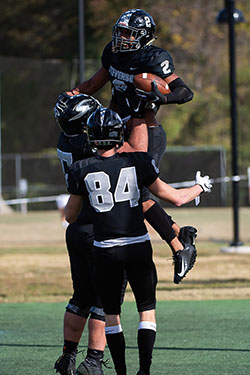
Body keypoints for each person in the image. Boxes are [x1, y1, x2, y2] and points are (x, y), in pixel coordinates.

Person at [64, 107, 212, 375]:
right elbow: (174, 197)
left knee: (111, 315)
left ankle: (120, 372)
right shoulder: (139, 162)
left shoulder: (80, 169)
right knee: (146, 312)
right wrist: (200, 187)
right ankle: (144, 371)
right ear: (118, 135)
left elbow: (71, 216)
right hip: (137, 247)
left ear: (92, 137)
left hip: (105, 250)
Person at [62, 8, 194, 264]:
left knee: (139, 192)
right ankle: (180, 237)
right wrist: (70, 96)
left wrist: (162, 98)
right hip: (116, 130)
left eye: (129, 33)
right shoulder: (112, 53)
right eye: (120, 31)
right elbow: (91, 85)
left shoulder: (154, 58)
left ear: (144, 37)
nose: (122, 37)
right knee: (134, 193)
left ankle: (179, 247)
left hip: (146, 130)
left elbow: (185, 92)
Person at [54, 93, 149, 375]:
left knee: (80, 296)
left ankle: (67, 357)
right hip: (100, 228)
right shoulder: (90, 146)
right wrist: (139, 113)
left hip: (76, 229)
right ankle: (94, 360)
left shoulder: (66, 140)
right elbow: (135, 151)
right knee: (105, 299)